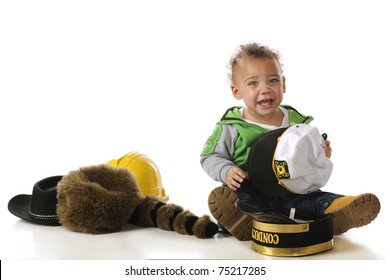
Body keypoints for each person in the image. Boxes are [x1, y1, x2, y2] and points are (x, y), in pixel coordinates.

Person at [200, 42, 380, 241]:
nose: (265, 89)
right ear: (236, 91)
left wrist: (321, 153)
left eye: (273, 80)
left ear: (283, 84)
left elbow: (309, 155)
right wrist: (226, 171)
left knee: (313, 197)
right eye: (253, 83)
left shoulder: (296, 122)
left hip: (291, 188)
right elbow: (209, 156)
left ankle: (339, 210)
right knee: (238, 197)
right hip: (249, 186)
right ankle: (240, 218)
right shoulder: (232, 126)